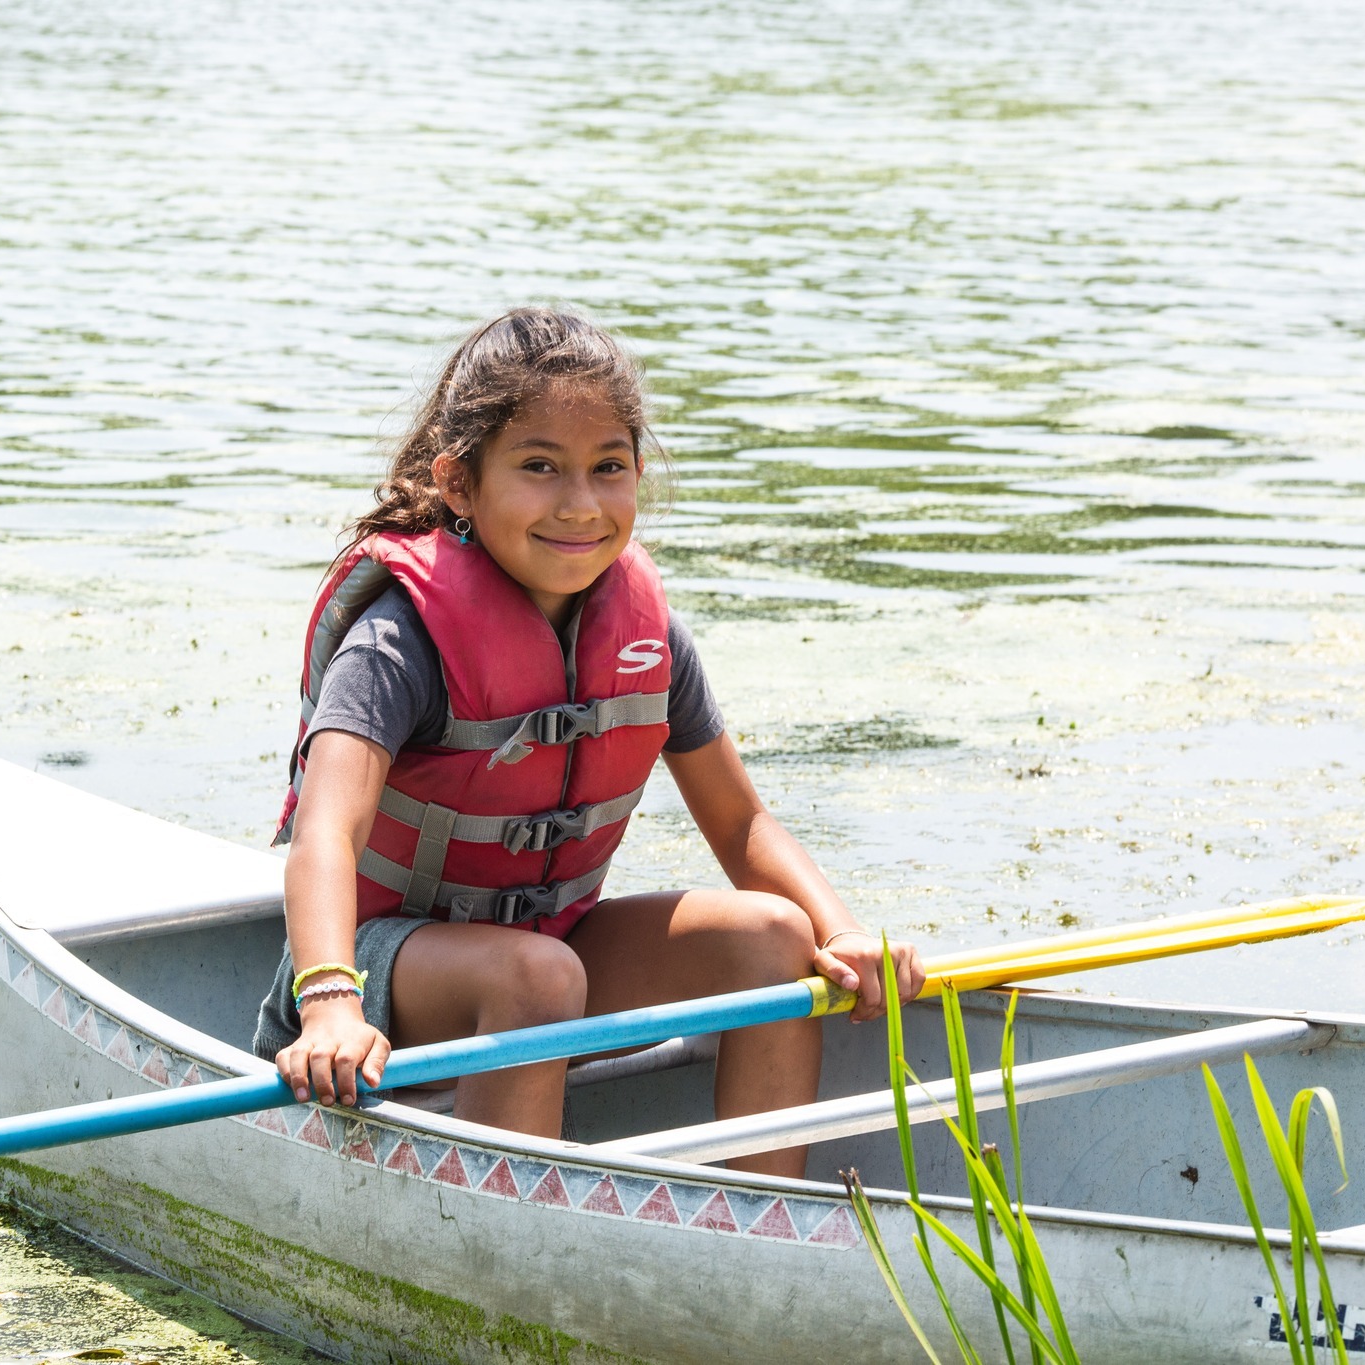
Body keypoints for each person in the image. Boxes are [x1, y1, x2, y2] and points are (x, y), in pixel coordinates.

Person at [255, 307, 924, 1178]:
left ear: (638, 474)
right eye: (539, 468)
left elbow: (741, 825)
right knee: (536, 979)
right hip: (380, 974)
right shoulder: (397, 642)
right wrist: (331, 1004)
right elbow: (325, 835)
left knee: (772, 934)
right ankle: (507, 1231)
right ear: (460, 483)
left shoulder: (648, 638)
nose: (580, 505)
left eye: (608, 468)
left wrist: (845, 933)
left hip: (552, 951)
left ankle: (762, 1217)